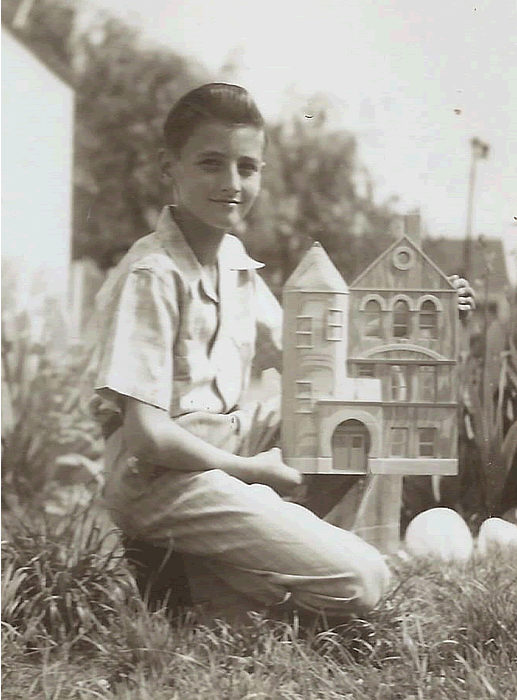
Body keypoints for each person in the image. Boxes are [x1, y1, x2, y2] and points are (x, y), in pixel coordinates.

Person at [89, 83, 474, 622]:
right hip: (158, 479)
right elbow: (147, 435)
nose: (231, 184)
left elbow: (327, 359)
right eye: (210, 163)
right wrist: (251, 470)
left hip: (224, 444)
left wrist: (432, 315)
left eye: (247, 167)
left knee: (362, 422)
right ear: (167, 168)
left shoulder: (234, 262)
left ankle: (247, 556)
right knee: (365, 582)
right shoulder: (152, 273)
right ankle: (191, 590)